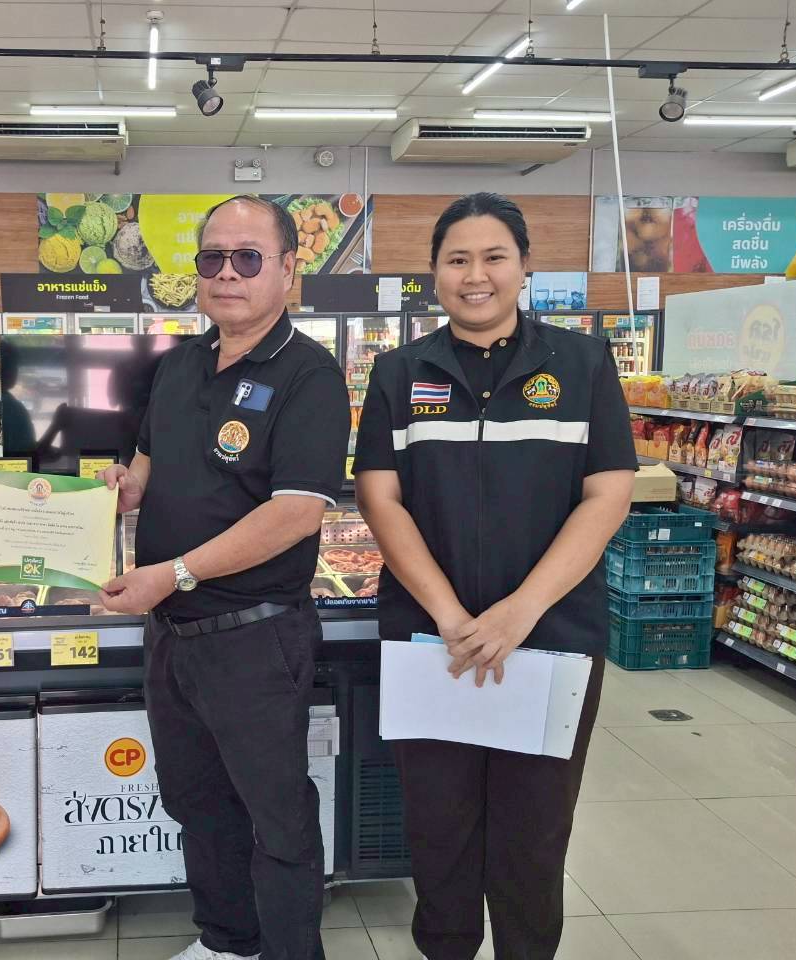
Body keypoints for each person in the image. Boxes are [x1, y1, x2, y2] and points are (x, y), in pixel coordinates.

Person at [353, 192, 637, 960]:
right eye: (457, 259)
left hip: (551, 638)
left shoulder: (582, 363)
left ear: (524, 266)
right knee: (437, 827)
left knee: (534, 831)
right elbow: (379, 498)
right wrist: (449, 615)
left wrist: (521, 610)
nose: (475, 275)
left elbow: (608, 494)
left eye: (493, 257)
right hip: (430, 640)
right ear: (434, 272)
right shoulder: (399, 372)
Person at [99, 196, 351, 960]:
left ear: (288, 269)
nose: (227, 273)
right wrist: (120, 490)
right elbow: (146, 468)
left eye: (248, 257)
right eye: (213, 258)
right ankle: (227, 941)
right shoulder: (178, 366)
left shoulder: (310, 375)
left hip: (255, 640)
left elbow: (295, 513)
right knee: (196, 802)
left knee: (276, 817)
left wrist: (173, 574)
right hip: (172, 637)